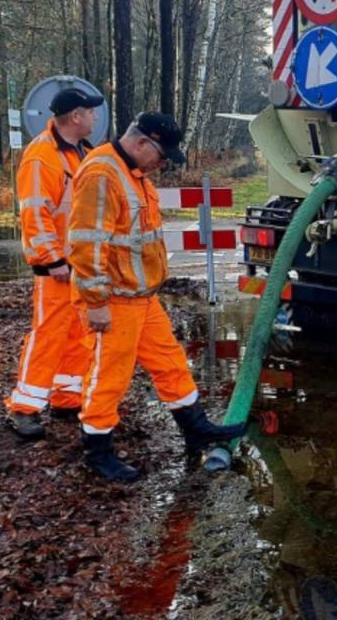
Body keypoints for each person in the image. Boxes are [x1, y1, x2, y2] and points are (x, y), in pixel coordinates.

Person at [66, 112, 244, 482]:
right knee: (108, 376)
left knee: (170, 363)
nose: (163, 164)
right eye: (162, 155)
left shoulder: (133, 173)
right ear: (142, 142)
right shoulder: (102, 174)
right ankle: (98, 452)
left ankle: (194, 427)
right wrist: (96, 302)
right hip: (113, 299)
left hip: (141, 296)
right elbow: (86, 244)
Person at [5, 88, 102, 440]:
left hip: (78, 264)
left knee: (79, 332)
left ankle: (67, 397)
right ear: (76, 116)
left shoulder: (82, 153)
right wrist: (51, 259)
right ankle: (24, 407)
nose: (94, 118)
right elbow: (35, 211)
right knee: (48, 334)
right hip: (58, 267)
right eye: (90, 112)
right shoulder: (42, 155)